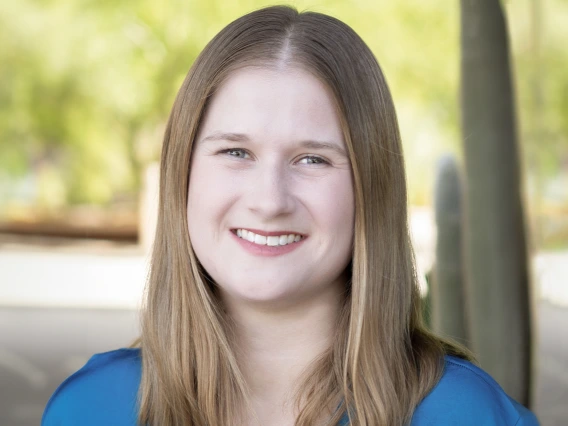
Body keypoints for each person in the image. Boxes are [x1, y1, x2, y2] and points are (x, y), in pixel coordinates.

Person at [42, 5, 539, 426]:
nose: (269, 199)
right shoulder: (90, 408)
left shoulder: (463, 413)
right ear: (183, 175)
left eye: (312, 159)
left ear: (371, 189)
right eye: (236, 152)